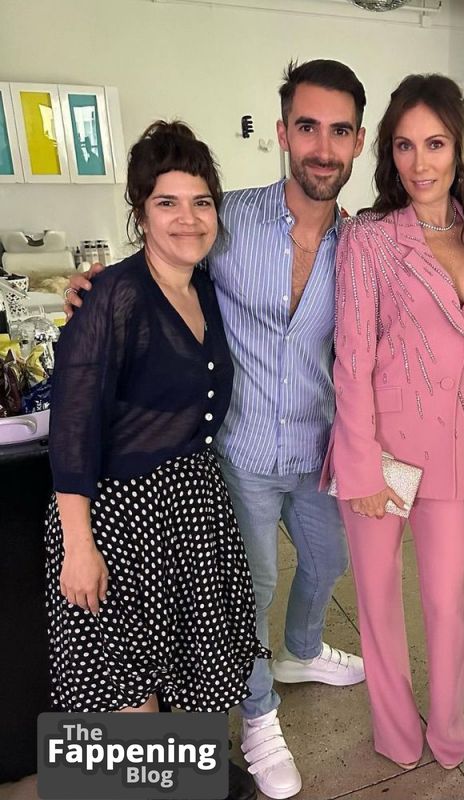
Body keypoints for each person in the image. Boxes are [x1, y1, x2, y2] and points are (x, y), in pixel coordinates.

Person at [63, 60, 369, 800]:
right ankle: (257, 718)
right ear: (282, 134)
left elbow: (175, 265)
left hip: (316, 449)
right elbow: (164, 257)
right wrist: (98, 293)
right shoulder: (232, 224)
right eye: (307, 127)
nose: (323, 147)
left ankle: (297, 652)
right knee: (241, 597)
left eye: (340, 131)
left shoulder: (364, 245)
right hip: (230, 456)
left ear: (359, 142)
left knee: (327, 563)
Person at [47, 121, 264, 718]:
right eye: (167, 202)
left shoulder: (207, 288)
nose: (188, 219)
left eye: (202, 202)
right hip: (121, 521)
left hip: (192, 511)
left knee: (195, 677)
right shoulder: (112, 297)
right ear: (141, 213)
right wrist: (78, 546)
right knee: (128, 695)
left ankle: (186, 765)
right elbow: (72, 428)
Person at [324, 74, 464, 770]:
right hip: (378, 451)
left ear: (460, 147)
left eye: (435, 143)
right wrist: (361, 466)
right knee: (378, 603)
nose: (420, 162)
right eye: (404, 145)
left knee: (447, 604)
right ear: (389, 153)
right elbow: (351, 358)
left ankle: (449, 730)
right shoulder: (370, 239)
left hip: (451, 449)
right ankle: (396, 732)